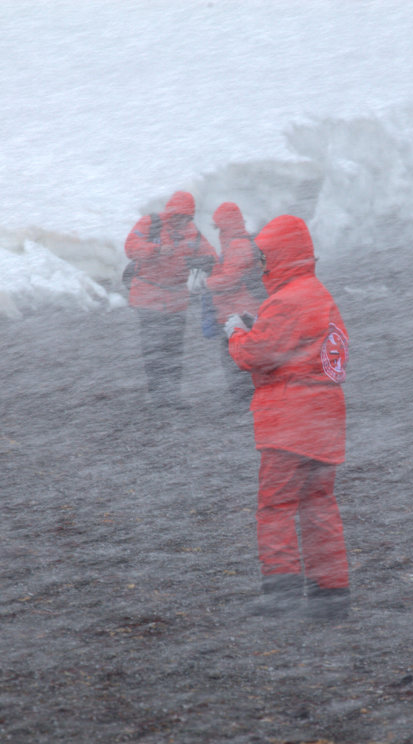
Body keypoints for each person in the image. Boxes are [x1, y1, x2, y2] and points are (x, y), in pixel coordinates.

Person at [225, 215, 350, 620]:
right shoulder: (320, 294)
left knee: (276, 506)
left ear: (279, 255)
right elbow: (331, 355)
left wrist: (236, 333)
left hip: (289, 422)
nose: (261, 264)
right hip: (325, 418)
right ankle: (331, 595)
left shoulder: (285, 300)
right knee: (319, 504)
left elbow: (258, 354)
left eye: (265, 255)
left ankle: (280, 595)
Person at [124, 191, 216, 408]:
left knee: (174, 350)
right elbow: (131, 248)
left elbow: (210, 254)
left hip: (177, 300)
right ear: (170, 211)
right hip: (148, 298)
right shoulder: (150, 223)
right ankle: (159, 397)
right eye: (178, 216)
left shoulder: (192, 232)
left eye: (186, 217)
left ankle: (172, 396)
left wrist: (204, 261)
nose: (181, 221)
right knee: (154, 349)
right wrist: (155, 250)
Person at [206, 202, 265, 404]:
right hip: (241, 308)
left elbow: (231, 279)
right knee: (240, 354)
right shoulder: (237, 242)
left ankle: (244, 399)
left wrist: (208, 283)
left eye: (218, 225)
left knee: (237, 355)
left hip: (239, 311)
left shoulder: (237, 245)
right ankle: (247, 396)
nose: (216, 230)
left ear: (225, 224)